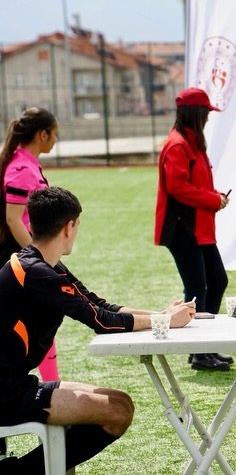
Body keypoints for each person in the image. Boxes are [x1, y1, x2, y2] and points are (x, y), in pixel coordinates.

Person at [0, 186, 196, 472]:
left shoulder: (45, 266)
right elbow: (101, 322)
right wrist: (164, 322)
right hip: (7, 394)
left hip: (15, 384)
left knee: (122, 403)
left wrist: (164, 314)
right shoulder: (36, 272)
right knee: (115, 413)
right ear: (69, 227)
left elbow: (101, 306)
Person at [155, 87, 232, 371]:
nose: (209, 118)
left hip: (197, 227)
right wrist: (213, 199)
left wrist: (215, 194)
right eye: (206, 113)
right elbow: (177, 187)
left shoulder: (191, 143)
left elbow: (192, 184)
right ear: (196, 114)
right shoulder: (178, 145)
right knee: (198, 287)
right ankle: (200, 352)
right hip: (182, 227)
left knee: (217, 281)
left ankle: (203, 348)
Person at [0, 108, 60, 386]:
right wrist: (40, 258)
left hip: (22, 257)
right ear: (42, 134)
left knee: (43, 322)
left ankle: (51, 385)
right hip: (17, 260)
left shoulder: (27, 163)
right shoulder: (21, 168)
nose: (56, 140)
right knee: (35, 324)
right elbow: (14, 218)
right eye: (55, 134)